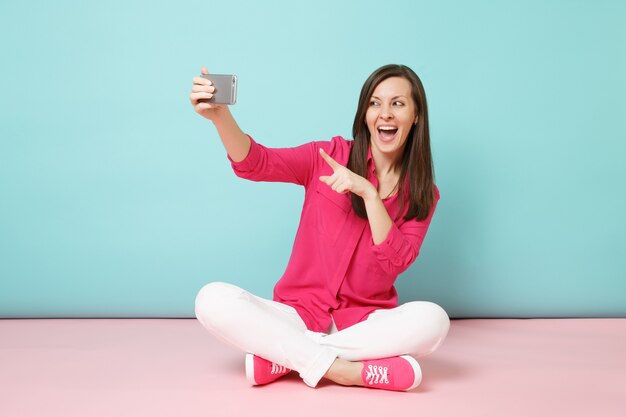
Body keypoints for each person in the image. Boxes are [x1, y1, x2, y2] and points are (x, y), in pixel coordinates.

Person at [190, 64, 450, 392]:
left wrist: (369, 194)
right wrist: (220, 117)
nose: (385, 113)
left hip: (363, 325)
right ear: (364, 113)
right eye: (375, 103)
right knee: (210, 299)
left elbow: (395, 263)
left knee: (434, 321)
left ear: (416, 116)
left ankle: (286, 356)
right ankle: (346, 371)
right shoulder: (327, 156)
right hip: (297, 314)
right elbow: (256, 163)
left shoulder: (424, 193)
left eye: (397, 103)